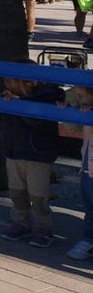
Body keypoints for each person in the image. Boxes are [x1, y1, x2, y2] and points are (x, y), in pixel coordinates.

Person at [0, 76, 64, 248]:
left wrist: (19, 104)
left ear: (25, 83)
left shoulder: (45, 99)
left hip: (38, 156)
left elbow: (35, 122)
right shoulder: (7, 97)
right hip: (14, 152)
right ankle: (21, 222)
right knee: (17, 192)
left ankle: (43, 227)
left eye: (10, 81)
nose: (6, 84)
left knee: (38, 196)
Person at [62, 86, 93, 260]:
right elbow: (73, 128)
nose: (80, 100)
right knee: (89, 207)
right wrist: (68, 107)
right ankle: (88, 240)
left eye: (83, 97)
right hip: (87, 169)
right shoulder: (85, 113)